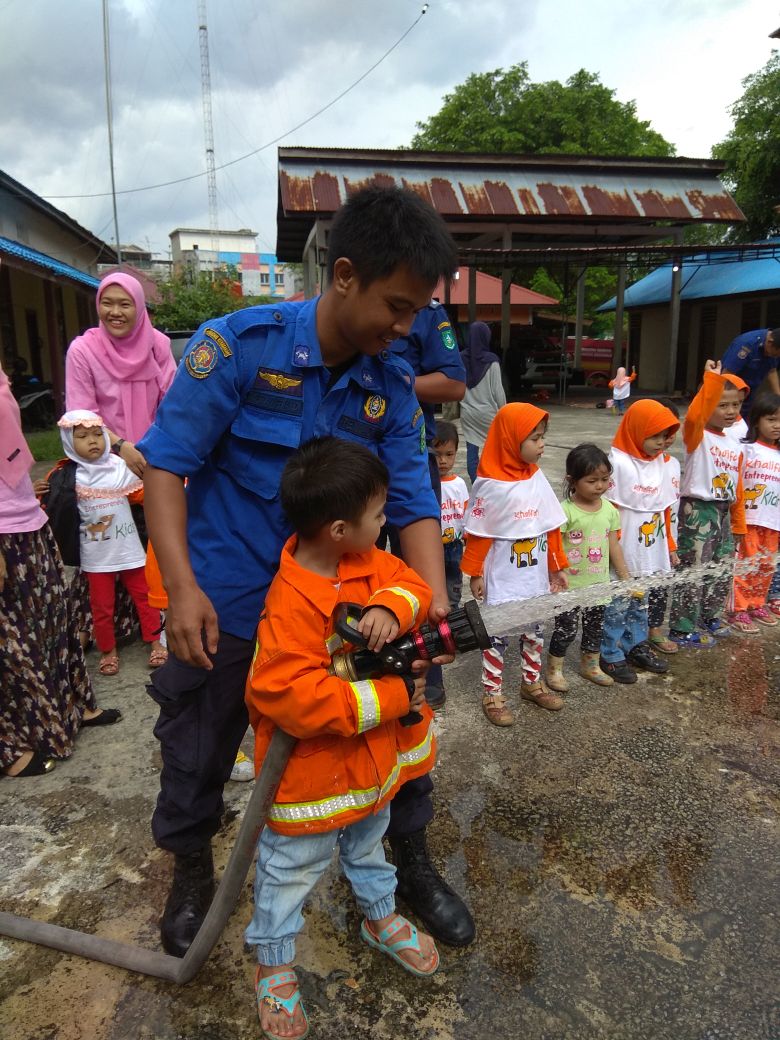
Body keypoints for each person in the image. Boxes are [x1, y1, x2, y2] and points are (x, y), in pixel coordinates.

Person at [137, 185, 475, 958]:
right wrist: (181, 591)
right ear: (344, 273)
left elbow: (416, 500)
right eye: (395, 307)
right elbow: (166, 465)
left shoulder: (389, 380)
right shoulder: (239, 347)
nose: (404, 329)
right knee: (200, 739)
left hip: (355, 611)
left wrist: (432, 606)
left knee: (397, 724)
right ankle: (192, 867)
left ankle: (407, 860)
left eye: (417, 313)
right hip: (235, 602)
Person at [245, 438, 438, 1039]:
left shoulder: (370, 563)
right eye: (379, 516)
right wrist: (393, 698)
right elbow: (289, 695)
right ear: (337, 529)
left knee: (368, 844)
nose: (387, 525)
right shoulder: (289, 606)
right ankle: (274, 966)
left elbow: (415, 586)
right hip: (311, 778)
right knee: (290, 870)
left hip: (370, 765)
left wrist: (388, 606)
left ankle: (378, 918)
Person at [0, 365, 120, 778]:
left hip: (27, 519)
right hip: (3, 532)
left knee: (55, 623)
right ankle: (10, 749)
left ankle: (73, 707)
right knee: (11, 644)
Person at [461, 403, 569, 726]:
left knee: (535, 632)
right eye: (535, 438)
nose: (542, 444)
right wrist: (475, 573)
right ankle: (492, 692)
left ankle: (531, 682)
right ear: (511, 439)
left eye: (542, 438)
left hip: (533, 579)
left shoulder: (536, 479)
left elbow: (551, 527)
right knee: (496, 636)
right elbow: (479, 534)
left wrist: (556, 566)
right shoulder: (491, 484)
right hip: (503, 578)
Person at [385, 298, 466, 708]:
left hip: (412, 456)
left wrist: (392, 379)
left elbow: (453, 383)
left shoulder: (428, 313)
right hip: (349, 465)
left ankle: (427, 676)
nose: (397, 326)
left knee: (420, 577)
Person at [42, 410, 166, 675]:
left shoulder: (120, 468)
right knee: (100, 606)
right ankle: (108, 650)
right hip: (96, 558)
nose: (93, 441)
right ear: (67, 441)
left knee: (146, 598)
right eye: (83, 436)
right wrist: (42, 496)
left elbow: (147, 494)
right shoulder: (67, 478)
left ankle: (156, 642)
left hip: (131, 551)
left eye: (98, 434)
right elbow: (57, 510)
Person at [598, 400, 679, 682]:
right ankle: (609, 652)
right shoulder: (618, 463)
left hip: (651, 548)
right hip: (625, 548)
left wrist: (670, 546)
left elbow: (665, 510)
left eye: (665, 436)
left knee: (641, 602)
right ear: (636, 430)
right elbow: (607, 510)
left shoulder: (664, 465)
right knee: (618, 603)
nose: (661, 443)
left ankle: (635, 645)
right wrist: (612, 549)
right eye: (654, 435)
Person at [65, 272, 176, 477]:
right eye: (107, 303)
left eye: (125, 305)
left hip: (156, 458)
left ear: (140, 308)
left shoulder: (158, 345)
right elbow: (82, 416)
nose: (115, 312)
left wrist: (154, 449)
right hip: (104, 463)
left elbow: (172, 403)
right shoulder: (82, 350)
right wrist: (122, 447)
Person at [668, 361, 747, 647]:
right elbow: (694, 415)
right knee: (693, 570)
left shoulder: (735, 443)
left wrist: (738, 522)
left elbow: (737, 486)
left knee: (722, 566)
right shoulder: (697, 435)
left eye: (736, 405)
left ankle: (709, 616)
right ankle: (682, 627)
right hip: (698, 510)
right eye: (722, 405)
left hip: (724, 510)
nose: (730, 411)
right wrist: (710, 380)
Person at [545, 444, 628, 693]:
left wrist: (624, 576)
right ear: (572, 481)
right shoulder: (565, 511)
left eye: (604, 479)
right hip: (569, 586)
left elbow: (613, 545)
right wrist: (553, 576)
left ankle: (590, 666)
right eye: (592, 481)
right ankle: (554, 669)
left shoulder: (610, 510)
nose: (600, 486)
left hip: (598, 585)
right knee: (566, 630)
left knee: (594, 628)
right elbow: (554, 548)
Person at [728, 393, 780, 631]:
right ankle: (738, 609)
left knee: (766, 565)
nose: (777, 425)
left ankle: (756, 603)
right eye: (771, 419)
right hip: (749, 519)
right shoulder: (746, 449)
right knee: (745, 565)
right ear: (757, 421)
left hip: (773, 521)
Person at [648, 403, 682, 654]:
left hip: (667, 536)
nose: (665, 439)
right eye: (658, 432)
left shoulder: (674, 464)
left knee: (660, 586)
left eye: (669, 432)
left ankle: (655, 630)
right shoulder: (631, 464)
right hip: (640, 539)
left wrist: (672, 543)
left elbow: (670, 509)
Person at [460, 321, 506, 481]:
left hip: (468, 413)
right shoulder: (491, 361)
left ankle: (476, 485)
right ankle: (492, 482)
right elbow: (497, 391)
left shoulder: (460, 359)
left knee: (472, 451)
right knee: (495, 451)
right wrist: (505, 411)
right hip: (489, 415)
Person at [433, 421, 469, 613]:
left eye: (449, 454)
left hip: (454, 546)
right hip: (431, 546)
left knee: (454, 584)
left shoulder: (459, 484)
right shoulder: (426, 483)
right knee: (431, 586)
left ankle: (453, 616)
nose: (443, 461)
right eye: (437, 455)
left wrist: (468, 539)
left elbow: (465, 515)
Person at [720, 327, 780, 418]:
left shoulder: (775, 348)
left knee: (745, 421)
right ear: (770, 342)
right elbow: (727, 374)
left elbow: (772, 370)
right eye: (775, 354)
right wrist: (724, 399)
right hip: (732, 390)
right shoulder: (746, 344)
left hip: (750, 391)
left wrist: (778, 397)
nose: (776, 356)